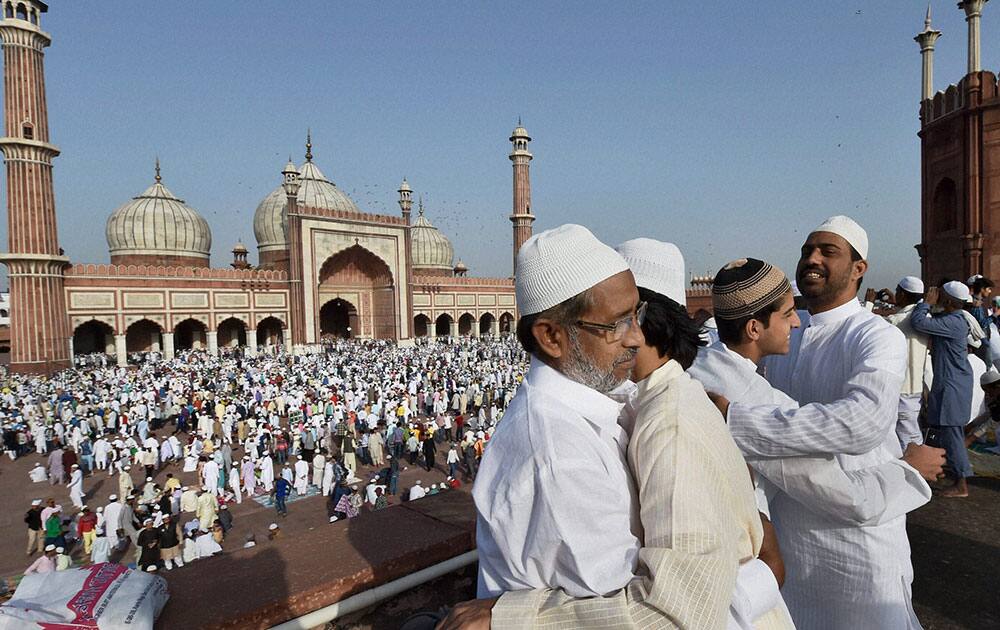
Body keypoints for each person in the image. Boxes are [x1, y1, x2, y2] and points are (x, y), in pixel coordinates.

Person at [710, 217, 922, 629]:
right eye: (808, 250)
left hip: (858, 535)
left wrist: (735, 423)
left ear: (859, 269)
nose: (812, 259)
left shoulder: (875, 335)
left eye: (828, 251)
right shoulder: (788, 328)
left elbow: (863, 424)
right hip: (792, 531)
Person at [910, 282, 977, 498]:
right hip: (950, 383)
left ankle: (961, 484)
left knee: (952, 435)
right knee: (945, 431)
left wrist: (925, 304)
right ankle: (950, 472)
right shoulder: (953, 320)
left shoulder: (954, 323)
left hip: (952, 385)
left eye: (940, 296)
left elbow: (918, 322)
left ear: (948, 301)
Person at [866, 276, 933, 450]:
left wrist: (868, 303)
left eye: (897, 291)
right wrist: (898, 301)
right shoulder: (925, 317)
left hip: (903, 388)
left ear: (902, 294)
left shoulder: (895, 321)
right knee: (909, 431)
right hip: (916, 385)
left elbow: (866, 325)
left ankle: (919, 472)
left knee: (908, 437)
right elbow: (908, 312)